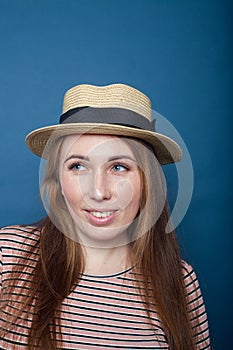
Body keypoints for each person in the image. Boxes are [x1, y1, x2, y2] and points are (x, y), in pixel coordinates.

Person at [0, 83, 211, 349]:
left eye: (119, 167)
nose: (98, 192)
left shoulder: (180, 280)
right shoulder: (7, 255)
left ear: (147, 182)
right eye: (78, 166)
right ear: (58, 181)